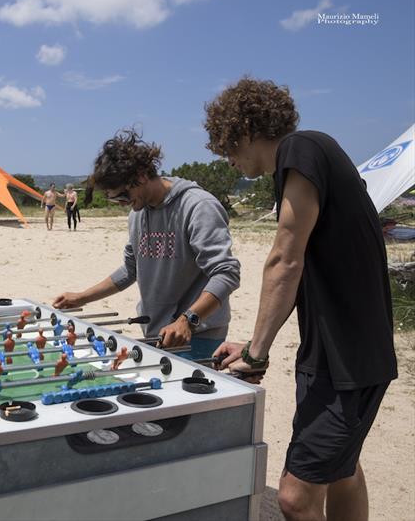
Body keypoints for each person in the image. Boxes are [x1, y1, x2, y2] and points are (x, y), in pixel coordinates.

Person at [204, 77, 397, 521]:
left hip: (348, 362)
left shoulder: (301, 149)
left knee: (294, 497)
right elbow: (300, 272)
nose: (228, 161)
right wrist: (250, 344)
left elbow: (284, 261)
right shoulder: (312, 159)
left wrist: (256, 353)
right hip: (339, 353)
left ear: (247, 130)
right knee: (341, 470)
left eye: (227, 149)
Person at [53, 129, 240, 359]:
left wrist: (188, 320)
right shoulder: (137, 214)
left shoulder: (198, 206)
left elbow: (226, 273)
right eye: (114, 199)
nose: (121, 204)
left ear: (140, 176)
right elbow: (131, 269)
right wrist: (82, 297)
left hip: (197, 334)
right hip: (157, 332)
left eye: (122, 196)